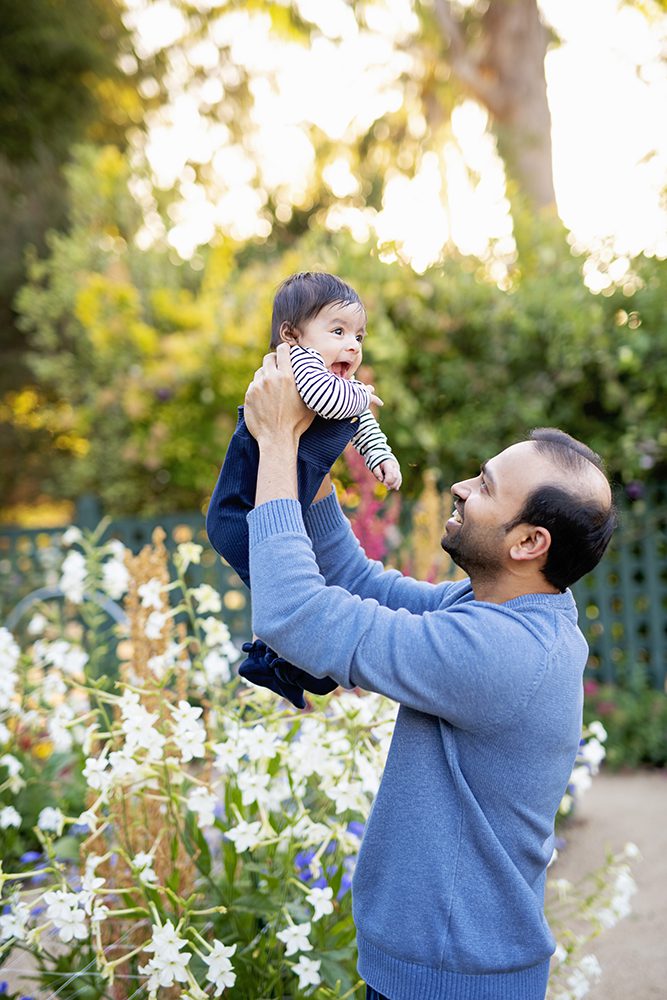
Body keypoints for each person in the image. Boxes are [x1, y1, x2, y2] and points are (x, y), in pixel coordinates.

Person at [242, 344, 617, 1000]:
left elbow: (294, 614)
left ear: (529, 543)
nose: (461, 488)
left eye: (485, 487)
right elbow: (354, 581)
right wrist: (310, 453)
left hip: (449, 984)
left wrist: (275, 440)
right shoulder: (502, 614)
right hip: (438, 972)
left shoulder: (499, 653)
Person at [206, 272, 401, 708]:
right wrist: (362, 395)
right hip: (240, 511)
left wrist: (381, 458)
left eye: (358, 336)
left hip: (283, 507)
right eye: (338, 331)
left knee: (296, 585)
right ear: (291, 336)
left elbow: (361, 424)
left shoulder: (341, 386)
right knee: (281, 588)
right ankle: (275, 657)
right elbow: (328, 400)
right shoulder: (300, 369)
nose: (353, 345)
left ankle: (280, 661)